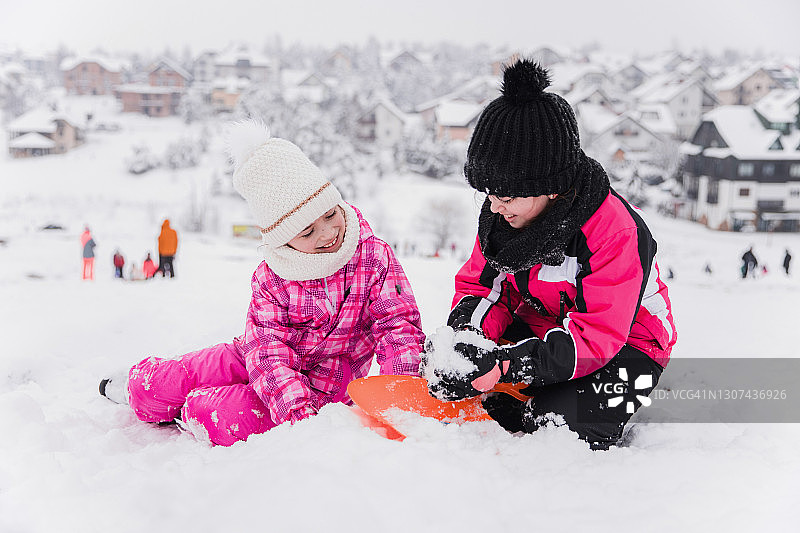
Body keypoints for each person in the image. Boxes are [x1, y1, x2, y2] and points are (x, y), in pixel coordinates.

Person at [100, 120, 425, 446]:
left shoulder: (372, 257)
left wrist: (400, 393)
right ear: (283, 240)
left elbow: (399, 326)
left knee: (225, 413)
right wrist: (288, 397)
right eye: (307, 231)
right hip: (254, 359)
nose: (327, 234)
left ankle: (186, 412)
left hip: (320, 391)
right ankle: (133, 390)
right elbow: (267, 350)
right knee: (161, 384)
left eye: (330, 215)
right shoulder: (272, 277)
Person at [421, 60, 676, 450]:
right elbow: (485, 288)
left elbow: (598, 334)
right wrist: (466, 341)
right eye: (487, 194)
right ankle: (510, 391)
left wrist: (509, 365)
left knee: (558, 428)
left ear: (551, 188)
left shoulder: (614, 231)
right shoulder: (504, 216)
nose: (493, 207)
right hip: (546, 327)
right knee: (486, 391)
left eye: (504, 196)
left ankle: (579, 402)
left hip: (626, 346)